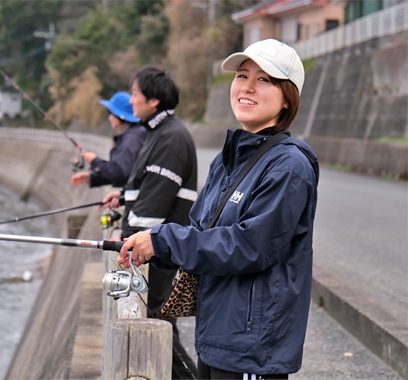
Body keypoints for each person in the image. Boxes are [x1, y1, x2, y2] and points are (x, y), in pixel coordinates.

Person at [117, 39, 320, 379]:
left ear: (288, 98)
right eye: (242, 76)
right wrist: (153, 247)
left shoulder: (289, 166)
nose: (247, 87)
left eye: (265, 79)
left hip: (252, 348)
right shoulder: (227, 159)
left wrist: (165, 240)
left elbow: (251, 246)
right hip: (215, 335)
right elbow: (200, 233)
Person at [101, 66, 199, 379]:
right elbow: (146, 188)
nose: (131, 101)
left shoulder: (170, 138)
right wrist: (123, 196)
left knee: (159, 325)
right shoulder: (159, 132)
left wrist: (128, 242)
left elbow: (153, 208)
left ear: (153, 100)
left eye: (135, 94)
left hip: (161, 253)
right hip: (158, 248)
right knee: (161, 324)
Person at [70, 91, 146, 188]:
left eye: (110, 113)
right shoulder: (135, 135)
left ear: (120, 115)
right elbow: (126, 173)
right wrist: (91, 177)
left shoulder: (132, 139)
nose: (109, 117)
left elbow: (118, 173)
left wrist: (95, 161)